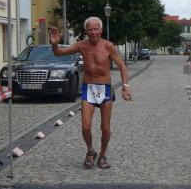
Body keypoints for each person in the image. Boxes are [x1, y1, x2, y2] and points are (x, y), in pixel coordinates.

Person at [49, 17, 132, 169]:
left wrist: (125, 86)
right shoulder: (81, 45)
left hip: (105, 89)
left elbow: (121, 65)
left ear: (101, 30)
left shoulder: (108, 46)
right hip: (88, 89)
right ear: (86, 31)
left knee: (105, 127)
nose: (93, 32)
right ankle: (90, 151)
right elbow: (58, 53)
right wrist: (54, 44)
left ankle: (103, 155)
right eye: (90, 29)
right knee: (86, 126)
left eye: (96, 29)